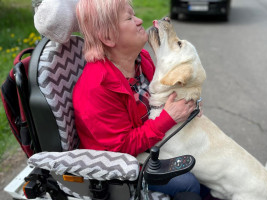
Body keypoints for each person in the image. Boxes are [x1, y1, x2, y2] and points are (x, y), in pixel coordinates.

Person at [73, 0, 203, 198]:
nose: (139, 20)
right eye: (129, 18)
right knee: (188, 183)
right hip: (122, 166)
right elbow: (120, 147)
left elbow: (164, 96)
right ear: (108, 37)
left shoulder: (141, 59)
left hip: (149, 144)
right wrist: (168, 118)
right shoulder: (96, 87)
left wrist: (189, 106)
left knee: (204, 162)